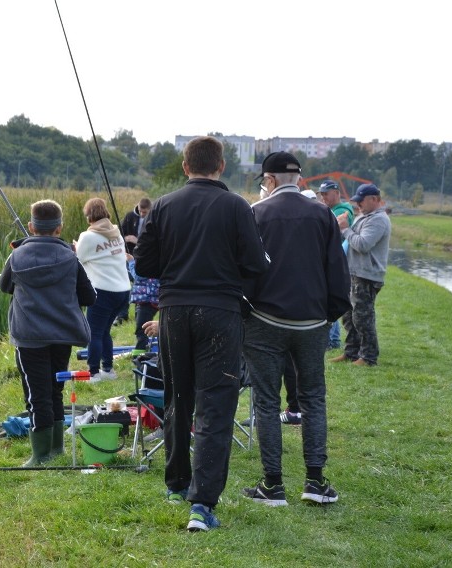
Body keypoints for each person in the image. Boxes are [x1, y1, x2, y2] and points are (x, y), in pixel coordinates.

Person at [134, 136, 270, 532]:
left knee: (178, 395)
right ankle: (202, 504)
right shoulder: (236, 206)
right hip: (220, 312)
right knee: (216, 403)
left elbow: (144, 265)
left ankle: (176, 483)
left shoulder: (162, 205)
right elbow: (257, 264)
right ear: (221, 166)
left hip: (173, 311)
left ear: (184, 166)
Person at [241, 151, 350, 507]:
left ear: (269, 180)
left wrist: (247, 309)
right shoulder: (323, 215)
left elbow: (247, 271)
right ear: (299, 178)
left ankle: (273, 484)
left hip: (266, 319)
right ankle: (315, 481)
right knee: (313, 399)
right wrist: (330, 314)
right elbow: (337, 268)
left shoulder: (256, 213)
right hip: (312, 321)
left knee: (267, 401)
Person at [0, 199, 96, 466]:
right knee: (54, 390)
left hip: (29, 337)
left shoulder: (16, 256)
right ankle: (56, 450)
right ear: (59, 228)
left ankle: (40, 455)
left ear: (31, 226)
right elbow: (90, 296)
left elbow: (4, 286)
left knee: (36, 393)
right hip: (62, 335)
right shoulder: (70, 257)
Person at [330, 183, 392, 366]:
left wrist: (344, 228)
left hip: (367, 275)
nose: (358, 205)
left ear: (374, 199)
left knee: (363, 317)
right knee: (349, 316)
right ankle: (351, 352)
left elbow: (363, 244)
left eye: (361, 201)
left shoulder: (378, 220)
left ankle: (368, 357)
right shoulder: (365, 216)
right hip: (355, 272)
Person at [74, 197, 131, 382]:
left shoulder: (88, 236)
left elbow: (78, 260)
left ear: (89, 216)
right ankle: (108, 369)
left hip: (103, 291)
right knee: (105, 331)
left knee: (94, 333)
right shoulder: (116, 233)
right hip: (123, 291)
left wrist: (76, 247)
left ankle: (94, 373)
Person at [318, 180, 356, 349]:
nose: (324, 197)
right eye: (322, 194)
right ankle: (333, 340)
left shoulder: (341, 211)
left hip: (335, 262)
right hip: (335, 261)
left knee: (329, 299)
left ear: (336, 192)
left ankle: (332, 341)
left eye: (326, 193)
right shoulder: (333, 210)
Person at [114, 198, 152, 325]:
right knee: (125, 284)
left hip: (143, 258)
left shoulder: (153, 219)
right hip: (128, 255)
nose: (142, 214)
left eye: (145, 212)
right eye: (141, 211)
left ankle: (138, 314)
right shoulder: (130, 216)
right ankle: (122, 314)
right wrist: (126, 239)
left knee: (138, 284)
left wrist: (137, 240)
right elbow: (119, 233)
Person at [127, 257, 159, 351]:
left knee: (142, 329)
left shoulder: (148, 259)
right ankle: (143, 350)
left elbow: (138, 276)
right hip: (150, 298)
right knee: (143, 329)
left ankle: (139, 356)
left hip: (147, 299)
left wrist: (131, 262)